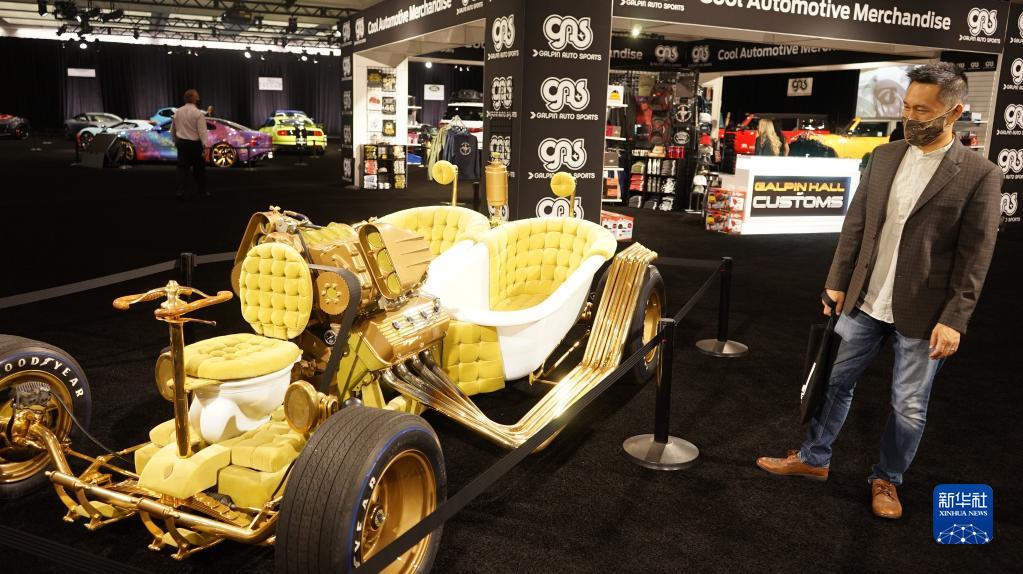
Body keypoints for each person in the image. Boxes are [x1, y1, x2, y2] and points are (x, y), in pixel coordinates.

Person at [756, 63, 1003, 519]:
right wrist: (837, 280)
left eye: (922, 110)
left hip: (925, 312)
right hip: (864, 299)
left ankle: (887, 479)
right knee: (833, 381)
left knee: (908, 406)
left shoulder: (979, 174)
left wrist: (955, 318)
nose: (910, 117)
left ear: (954, 113)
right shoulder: (885, 156)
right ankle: (814, 457)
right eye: (907, 107)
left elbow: (975, 256)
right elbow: (857, 224)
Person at [170, 89, 209, 199]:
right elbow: (202, 132)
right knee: (199, 169)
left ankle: (180, 191)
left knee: (182, 169)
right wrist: (205, 147)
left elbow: (172, 129)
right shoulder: (198, 114)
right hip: (195, 145)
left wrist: (175, 140)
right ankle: (201, 191)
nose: (199, 98)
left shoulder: (178, 112)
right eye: (197, 96)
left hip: (182, 143)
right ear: (193, 99)